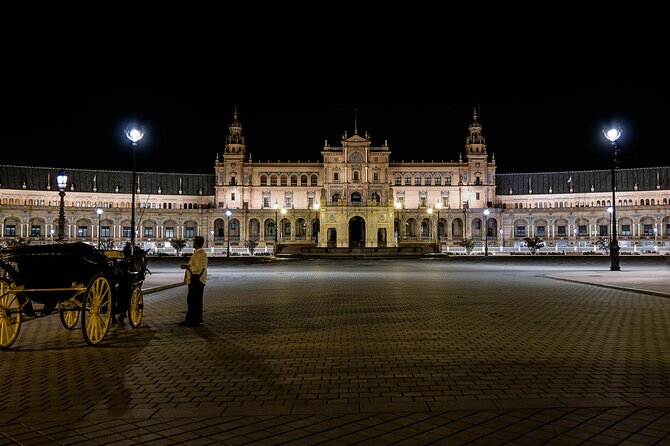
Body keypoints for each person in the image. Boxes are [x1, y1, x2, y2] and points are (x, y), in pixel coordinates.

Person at [178, 236, 208, 326]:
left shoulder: (200, 253)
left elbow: (198, 267)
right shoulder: (198, 253)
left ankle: (194, 320)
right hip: (196, 279)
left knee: (194, 300)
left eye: (194, 242)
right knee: (193, 300)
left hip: (196, 279)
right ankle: (193, 319)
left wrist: (187, 266)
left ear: (196, 243)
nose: (193, 243)